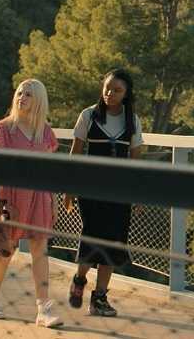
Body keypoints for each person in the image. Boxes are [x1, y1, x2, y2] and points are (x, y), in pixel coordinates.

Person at [0, 79, 63, 328]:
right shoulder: (4, 128)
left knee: (40, 248)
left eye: (28, 94)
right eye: (19, 93)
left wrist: (53, 200)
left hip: (39, 196)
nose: (21, 98)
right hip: (11, 196)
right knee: (6, 249)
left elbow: (49, 170)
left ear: (38, 100)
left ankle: (43, 308)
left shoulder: (45, 132)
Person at [65, 69, 144, 317]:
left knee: (114, 243)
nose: (110, 93)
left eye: (117, 90)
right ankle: (79, 279)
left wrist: (137, 194)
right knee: (92, 237)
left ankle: (99, 298)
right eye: (107, 88)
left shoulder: (133, 121)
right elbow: (76, 153)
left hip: (119, 193)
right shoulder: (88, 116)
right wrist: (69, 188)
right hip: (91, 190)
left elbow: (135, 162)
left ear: (126, 94)